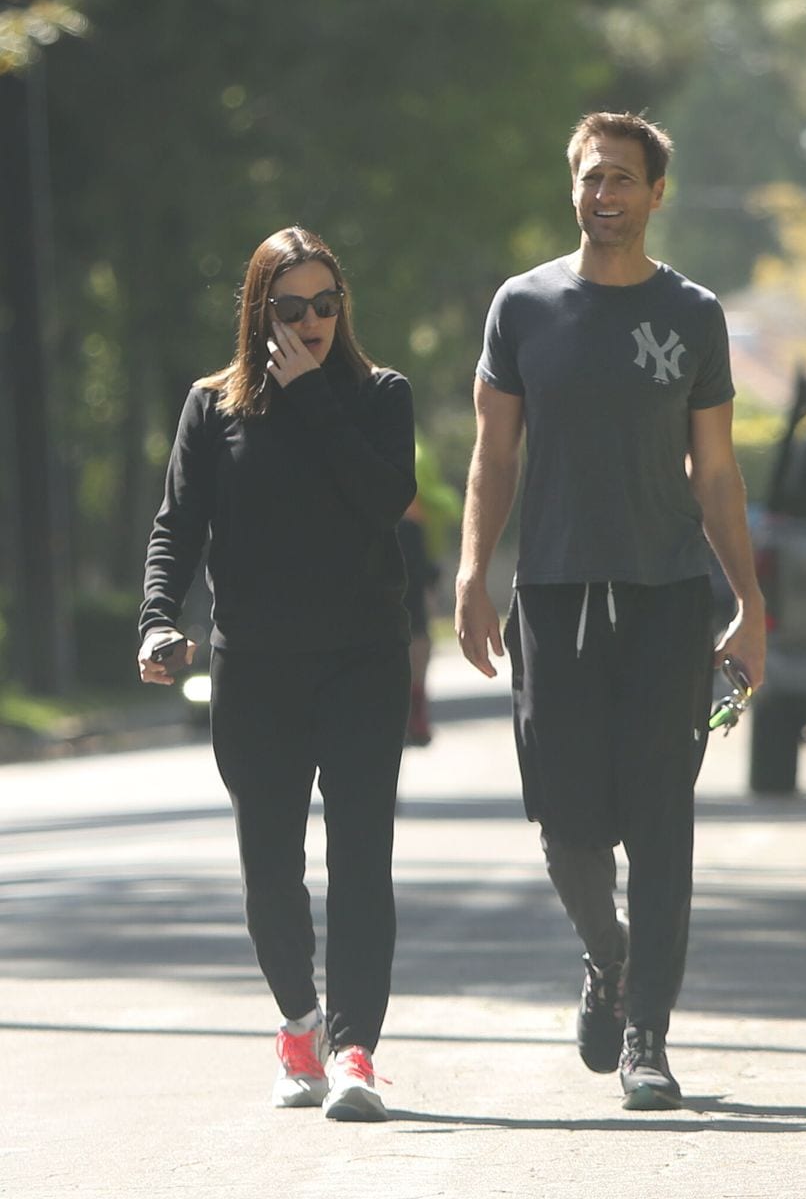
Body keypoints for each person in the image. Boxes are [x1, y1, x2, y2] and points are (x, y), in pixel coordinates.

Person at [455, 112, 766, 1112]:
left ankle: (647, 1038)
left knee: (660, 824)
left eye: (624, 179)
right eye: (592, 176)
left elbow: (714, 474)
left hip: (668, 599)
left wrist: (748, 602)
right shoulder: (524, 307)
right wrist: (471, 575)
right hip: (551, 593)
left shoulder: (692, 315)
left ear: (654, 193)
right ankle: (608, 956)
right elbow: (493, 456)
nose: (606, 194)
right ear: (574, 185)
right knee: (565, 823)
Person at [138, 226, 415, 1121]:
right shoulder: (211, 407)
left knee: (362, 859)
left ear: (344, 307)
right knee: (269, 865)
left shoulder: (379, 397)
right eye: (289, 308)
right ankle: (298, 1024)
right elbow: (177, 526)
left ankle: (356, 1051)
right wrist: (155, 619)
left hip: (362, 661)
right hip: (254, 666)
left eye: (324, 305)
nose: (309, 323)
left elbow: (381, 502)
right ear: (259, 311)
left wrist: (311, 400)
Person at [399, 436, 463, 746]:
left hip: (407, 546)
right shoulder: (416, 448)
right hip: (410, 544)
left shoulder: (415, 445)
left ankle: (414, 705)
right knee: (419, 630)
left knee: (416, 629)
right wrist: (451, 502)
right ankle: (415, 704)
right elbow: (431, 500)